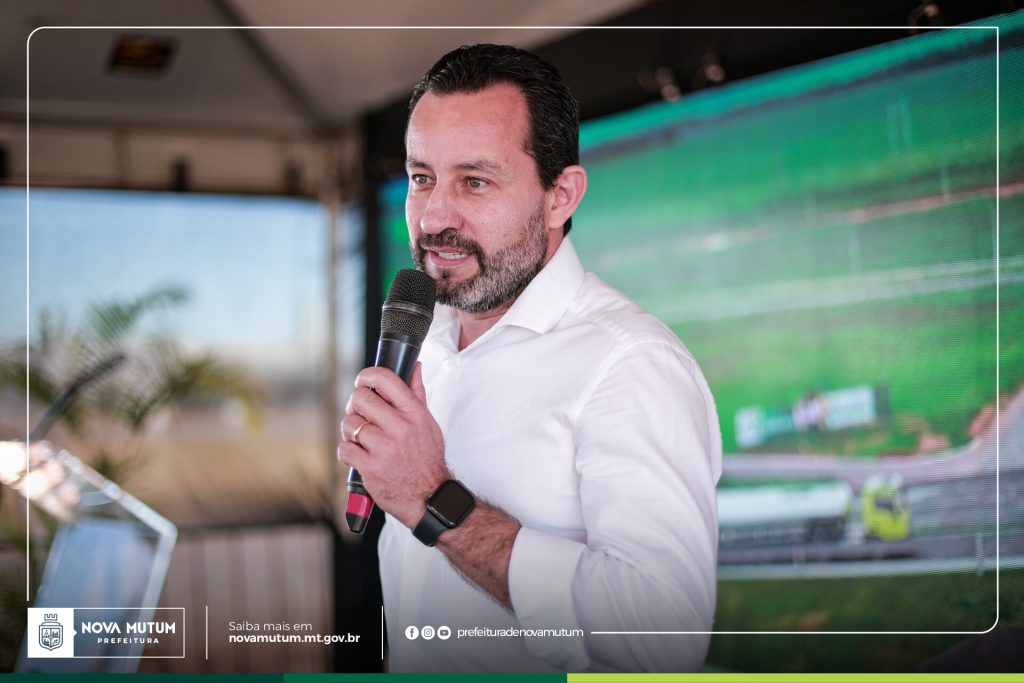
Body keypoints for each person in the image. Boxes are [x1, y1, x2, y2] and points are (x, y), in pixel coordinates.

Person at [337, 43, 722, 673]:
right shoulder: (425, 338)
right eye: (421, 178)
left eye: (475, 181)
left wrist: (435, 499)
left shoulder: (630, 364)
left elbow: (664, 641)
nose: (433, 217)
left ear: (560, 196)